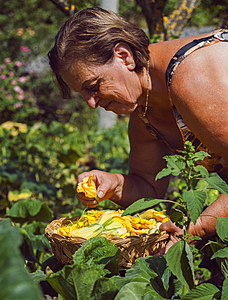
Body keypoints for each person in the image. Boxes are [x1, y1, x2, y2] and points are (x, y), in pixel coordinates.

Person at [48, 7, 228, 248]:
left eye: (92, 86)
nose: (91, 103)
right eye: (83, 94)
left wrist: (196, 227)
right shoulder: (145, 112)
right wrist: (114, 184)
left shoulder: (193, 76)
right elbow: (150, 189)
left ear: (124, 56)